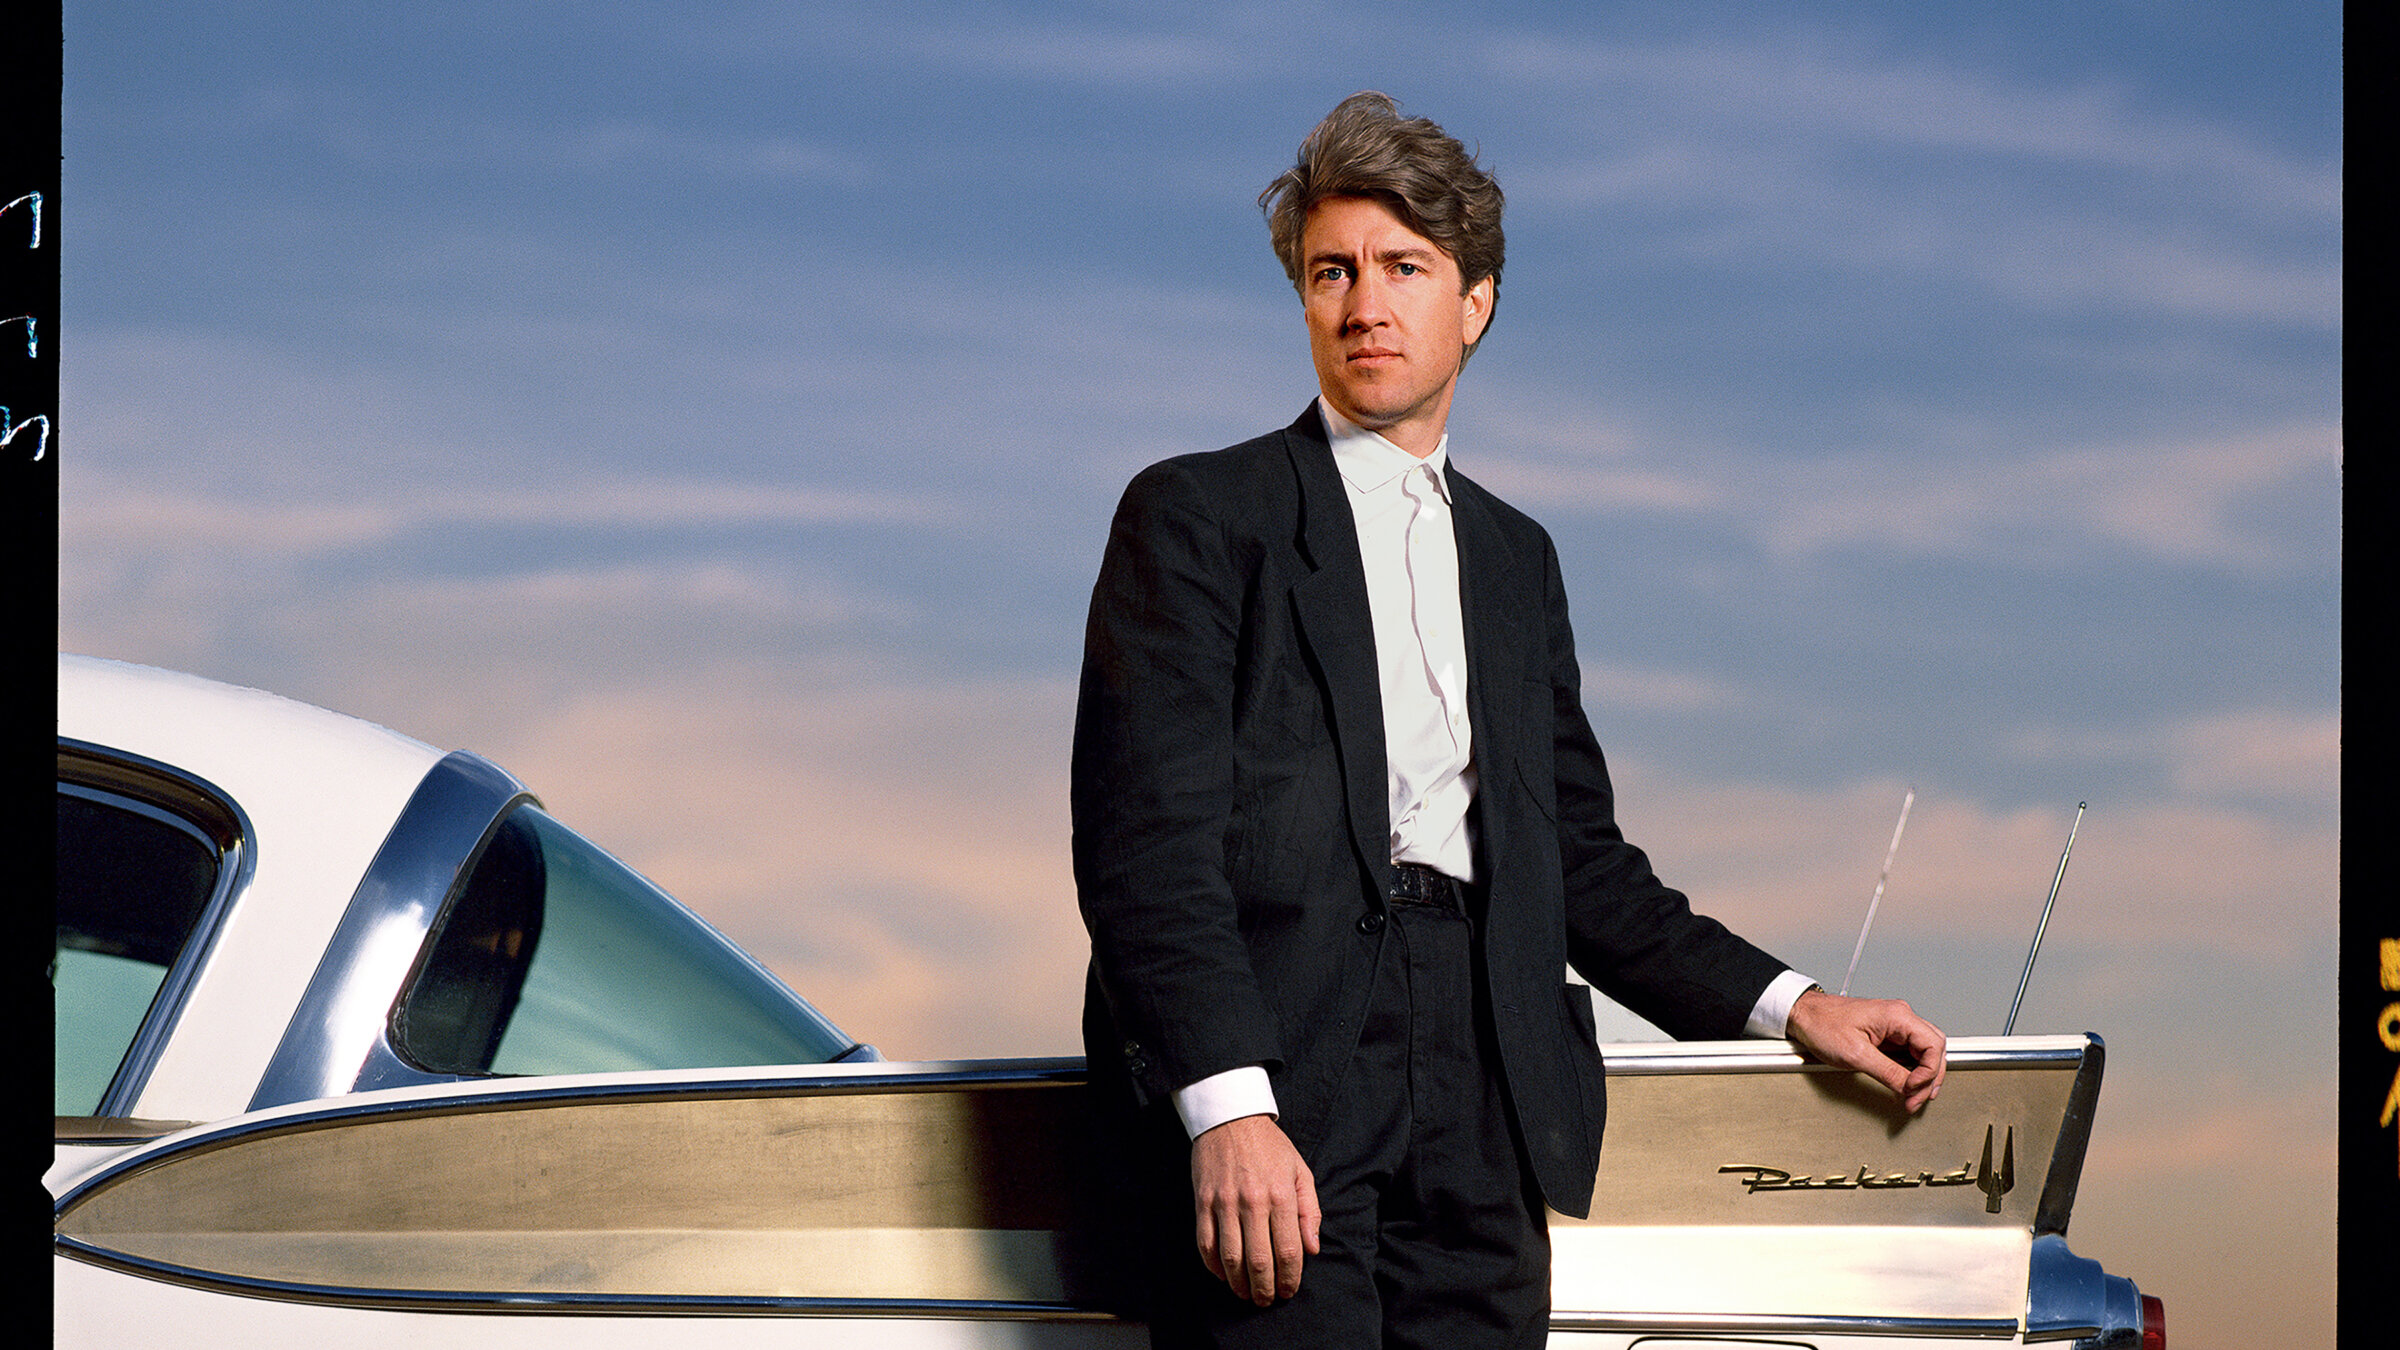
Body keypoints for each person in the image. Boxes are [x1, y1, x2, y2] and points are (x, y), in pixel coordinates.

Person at [1071, 91, 1946, 1350]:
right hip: (1286, 1064)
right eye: (1333, 271)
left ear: (1474, 303)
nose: (1364, 303)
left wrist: (1797, 1005)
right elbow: (1145, 848)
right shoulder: (1199, 516)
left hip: (1489, 1075)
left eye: (1403, 268)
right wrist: (1228, 1110)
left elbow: (1579, 864)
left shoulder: (1516, 558)